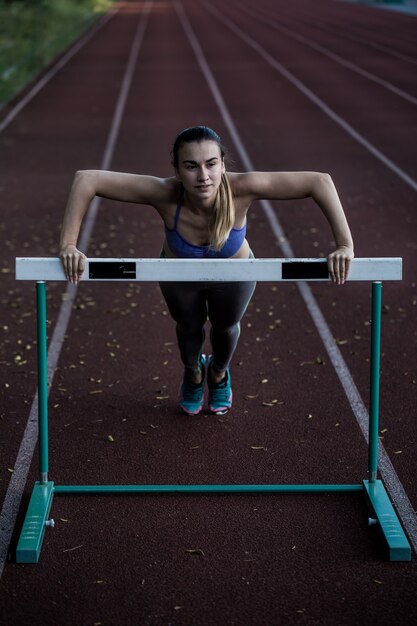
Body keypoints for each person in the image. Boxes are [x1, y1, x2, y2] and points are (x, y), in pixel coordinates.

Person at [59, 125, 354, 416]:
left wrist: (344, 245)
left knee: (225, 328)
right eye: (191, 166)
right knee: (189, 328)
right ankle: (193, 373)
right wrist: (69, 245)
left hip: (234, 272)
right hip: (179, 275)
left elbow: (320, 182)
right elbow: (86, 180)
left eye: (211, 164)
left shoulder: (241, 189)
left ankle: (218, 373)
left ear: (223, 164)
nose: (203, 176)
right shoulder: (165, 193)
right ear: (176, 169)